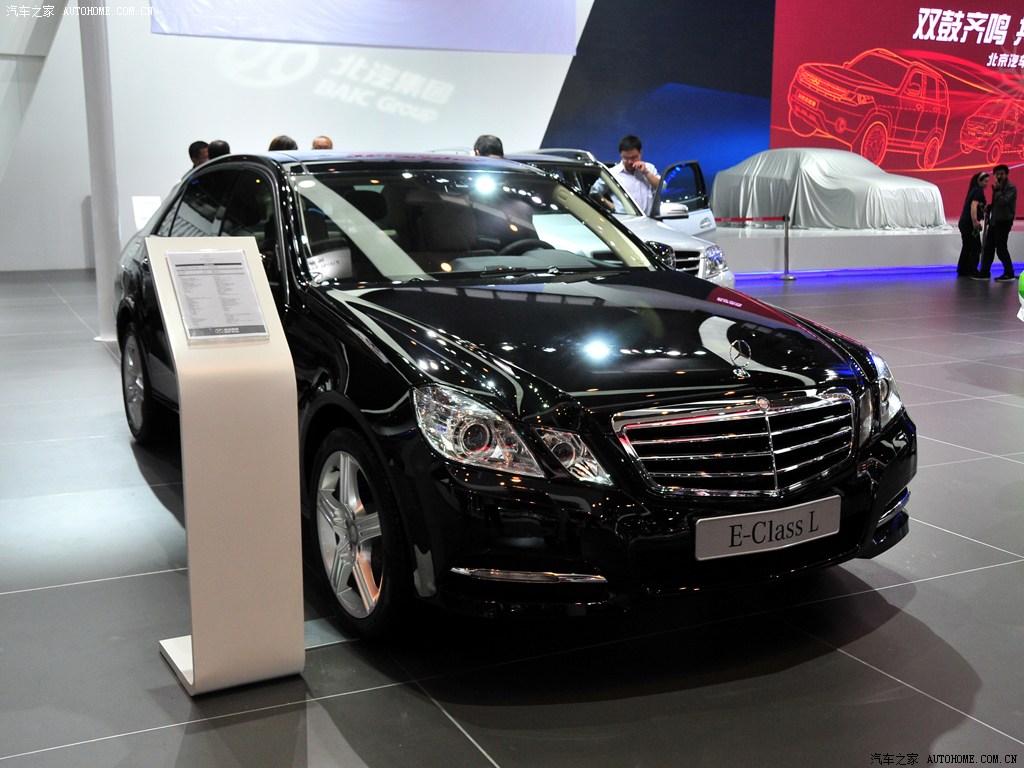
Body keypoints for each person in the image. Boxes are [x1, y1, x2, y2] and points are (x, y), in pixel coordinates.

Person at [590, 134, 661, 216]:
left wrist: (646, 172)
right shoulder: (612, 173)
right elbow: (594, 193)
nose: (630, 161)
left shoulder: (649, 168)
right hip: (625, 221)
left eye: (634, 157)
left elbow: (662, 187)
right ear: (621, 155)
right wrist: (612, 207)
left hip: (649, 220)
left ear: (640, 153)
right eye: (626, 158)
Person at [977, 163, 1017, 281]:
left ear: (1006, 175)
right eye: (997, 174)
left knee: (1001, 248)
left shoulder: (1011, 188)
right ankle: (985, 272)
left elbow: (1004, 201)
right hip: (994, 221)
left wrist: (997, 191)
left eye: (1002, 174)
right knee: (988, 248)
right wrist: (989, 208)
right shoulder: (997, 188)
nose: (999, 176)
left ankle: (1009, 272)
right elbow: (997, 204)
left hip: (1004, 222)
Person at [956, 171, 988, 278]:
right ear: (979, 181)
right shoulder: (978, 191)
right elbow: (973, 206)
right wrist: (975, 221)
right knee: (976, 247)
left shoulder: (973, 190)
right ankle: (972, 269)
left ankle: (963, 269)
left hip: (964, 222)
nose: (986, 184)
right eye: (985, 181)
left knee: (967, 246)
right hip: (969, 223)